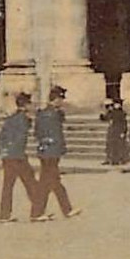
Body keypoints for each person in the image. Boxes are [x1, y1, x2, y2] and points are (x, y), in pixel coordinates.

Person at [33, 85, 81, 219]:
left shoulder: (43, 113)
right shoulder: (53, 114)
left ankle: (38, 212)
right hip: (51, 152)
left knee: (48, 183)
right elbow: (56, 134)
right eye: (60, 99)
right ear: (56, 99)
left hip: (45, 151)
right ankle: (65, 210)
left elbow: (37, 133)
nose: (62, 102)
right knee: (51, 182)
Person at [0, 92, 42, 223]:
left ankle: (4, 215)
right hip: (18, 156)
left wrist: (3, 151)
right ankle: (37, 212)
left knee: (8, 186)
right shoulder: (23, 119)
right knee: (31, 183)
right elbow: (21, 138)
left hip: (8, 156)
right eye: (30, 103)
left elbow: (0, 137)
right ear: (26, 105)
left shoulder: (11, 118)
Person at [101, 99, 130, 166]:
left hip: (118, 131)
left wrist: (123, 132)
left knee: (119, 146)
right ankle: (110, 159)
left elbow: (124, 123)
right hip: (112, 131)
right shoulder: (111, 112)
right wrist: (103, 115)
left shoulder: (121, 113)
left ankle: (120, 160)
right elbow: (106, 118)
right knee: (110, 145)